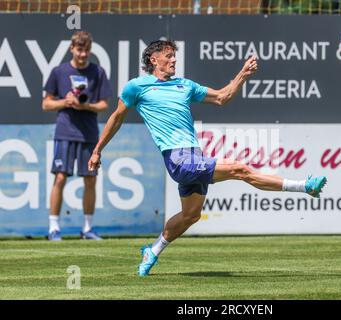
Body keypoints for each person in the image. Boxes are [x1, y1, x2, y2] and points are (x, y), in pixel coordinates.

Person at [88, 40, 327, 276]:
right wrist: (98, 149)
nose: (173, 60)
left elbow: (222, 97)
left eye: (174, 56)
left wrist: (242, 74)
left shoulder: (184, 85)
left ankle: (152, 251)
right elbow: (116, 118)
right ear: (154, 59)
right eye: (169, 56)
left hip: (194, 155)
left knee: (191, 215)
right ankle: (304, 187)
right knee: (239, 169)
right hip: (178, 158)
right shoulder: (137, 87)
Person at [42, 31, 113, 241]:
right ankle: (54, 228)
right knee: (60, 177)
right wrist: (66, 102)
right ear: (72, 49)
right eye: (79, 49)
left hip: (89, 134)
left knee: (90, 180)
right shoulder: (59, 71)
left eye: (86, 50)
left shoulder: (97, 72)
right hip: (65, 132)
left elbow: (103, 105)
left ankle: (87, 229)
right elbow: (46, 103)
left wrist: (85, 105)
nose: (83, 54)